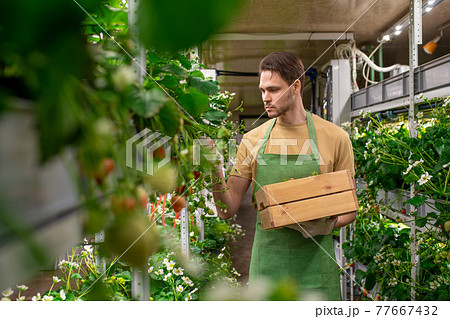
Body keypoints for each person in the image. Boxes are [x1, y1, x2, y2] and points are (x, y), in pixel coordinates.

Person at [210, 51, 356, 300]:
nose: (265, 98)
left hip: (317, 265)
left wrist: (326, 224)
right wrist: (213, 167)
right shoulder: (252, 140)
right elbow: (228, 208)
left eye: (273, 90)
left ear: (296, 86)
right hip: (268, 264)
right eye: (262, 90)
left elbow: (350, 208)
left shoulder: (335, 138)